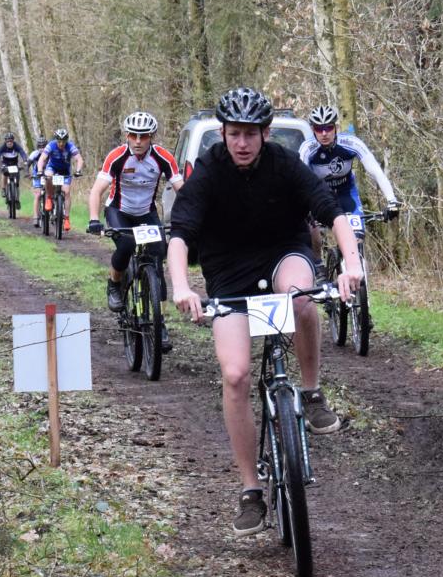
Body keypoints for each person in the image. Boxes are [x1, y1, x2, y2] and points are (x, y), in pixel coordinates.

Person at [167, 87, 363, 535]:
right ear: (223, 133)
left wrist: (352, 264)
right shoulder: (209, 169)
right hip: (228, 272)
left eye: (250, 134)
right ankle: (250, 490)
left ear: (265, 133)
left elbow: (332, 212)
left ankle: (311, 394)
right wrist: (180, 287)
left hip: (282, 253)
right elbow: (180, 234)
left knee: (301, 297)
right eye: (234, 134)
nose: (242, 143)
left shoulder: (284, 163)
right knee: (235, 375)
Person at [85, 112, 183, 313]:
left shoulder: (163, 158)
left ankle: (159, 315)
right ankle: (114, 285)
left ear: (151, 136)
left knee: (159, 254)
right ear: (127, 135)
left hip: (146, 213)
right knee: (126, 245)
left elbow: (183, 191)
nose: (138, 141)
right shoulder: (117, 157)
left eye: (143, 136)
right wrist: (94, 219)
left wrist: (190, 217)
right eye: (133, 135)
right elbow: (96, 191)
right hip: (119, 211)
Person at [33, 128, 83, 233]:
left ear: (66, 140)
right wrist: (40, 170)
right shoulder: (51, 145)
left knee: (67, 192)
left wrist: (78, 170)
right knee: (48, 176)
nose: (61, 144)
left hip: (65, 171)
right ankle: (49, 198)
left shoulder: (70, 146)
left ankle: (67, 219)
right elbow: (42, 159)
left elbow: (79, 159)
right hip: (52, 168)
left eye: (63, 141)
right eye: (59, 141)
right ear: (56, 140)